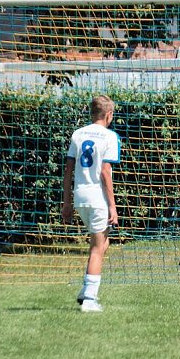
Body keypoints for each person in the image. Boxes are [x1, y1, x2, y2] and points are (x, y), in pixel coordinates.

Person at [62, 95, 120, 312]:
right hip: (97, 199)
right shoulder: (110, 136)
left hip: (80, 197)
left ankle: (85, 289)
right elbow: (106, 172)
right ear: (108, 115)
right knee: (98, 248)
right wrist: (112, 206)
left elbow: (68, 171)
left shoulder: (78, 134)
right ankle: (89, 299)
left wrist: (66, 203)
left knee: (102, 243)